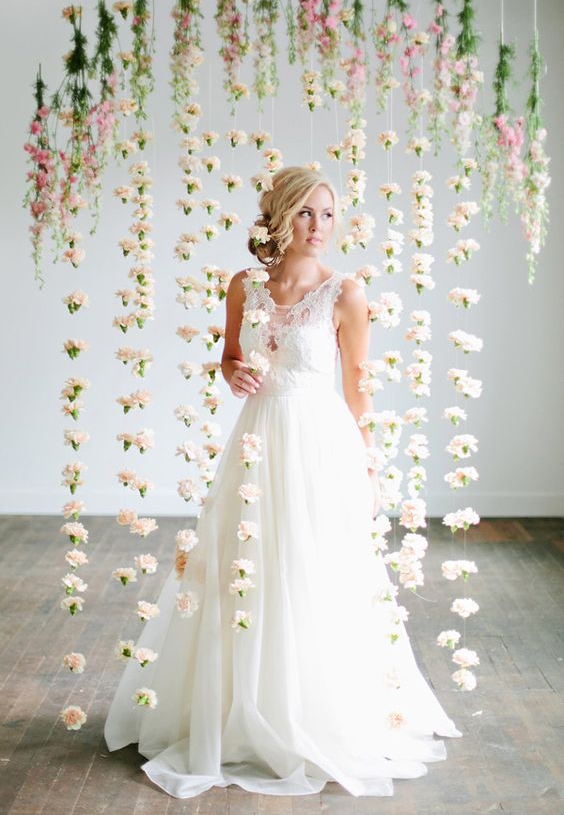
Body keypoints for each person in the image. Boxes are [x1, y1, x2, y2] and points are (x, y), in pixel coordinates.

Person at [104, 165, 462, 798]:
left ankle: (314, 714)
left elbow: (358, 385)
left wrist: (368, 461)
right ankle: (235, 710)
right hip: (256, 436)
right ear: (278, 217)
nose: (318, 226)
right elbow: (230, 357)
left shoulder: (345, 293)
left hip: (317, 442)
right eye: (305, 213)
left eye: (327, 214)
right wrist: (233, 372)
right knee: (244, 564)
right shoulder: (245, 284)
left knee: (309, 566)